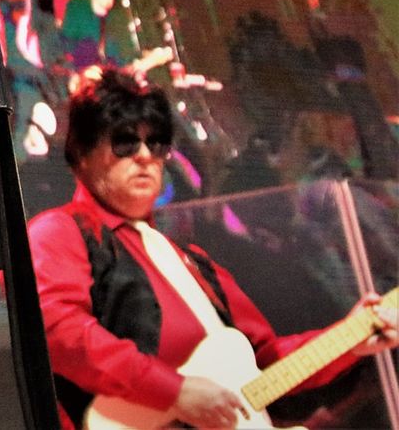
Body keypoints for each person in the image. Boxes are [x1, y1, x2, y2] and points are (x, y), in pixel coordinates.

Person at [27, 73, 398, 429]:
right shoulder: (60, 231)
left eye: (156, 144)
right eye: (125, 143)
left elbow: (264, 362)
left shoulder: (195, 264)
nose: (144, 156)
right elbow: (58, 331)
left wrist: (349, 339)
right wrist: (174, 393)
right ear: (83, 154)